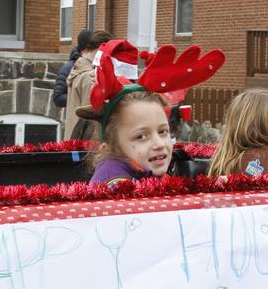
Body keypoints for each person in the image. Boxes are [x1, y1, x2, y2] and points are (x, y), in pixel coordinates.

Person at [76, 39, 226, 186]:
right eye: (141, 136)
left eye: (163, 132)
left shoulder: (144, 171)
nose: (159, 144)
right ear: (109, 148)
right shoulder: (116, 186)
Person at [65, 29, 112, 140]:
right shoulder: (89, 77)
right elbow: (92, 117)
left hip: (75, 138)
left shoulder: (78, 70)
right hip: (85, 141)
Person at [53, 29, 90, 111]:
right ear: (86, 49)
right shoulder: (68, 68)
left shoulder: (96, 65)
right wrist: (81, 97)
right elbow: (58, 98)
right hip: (76, 117)